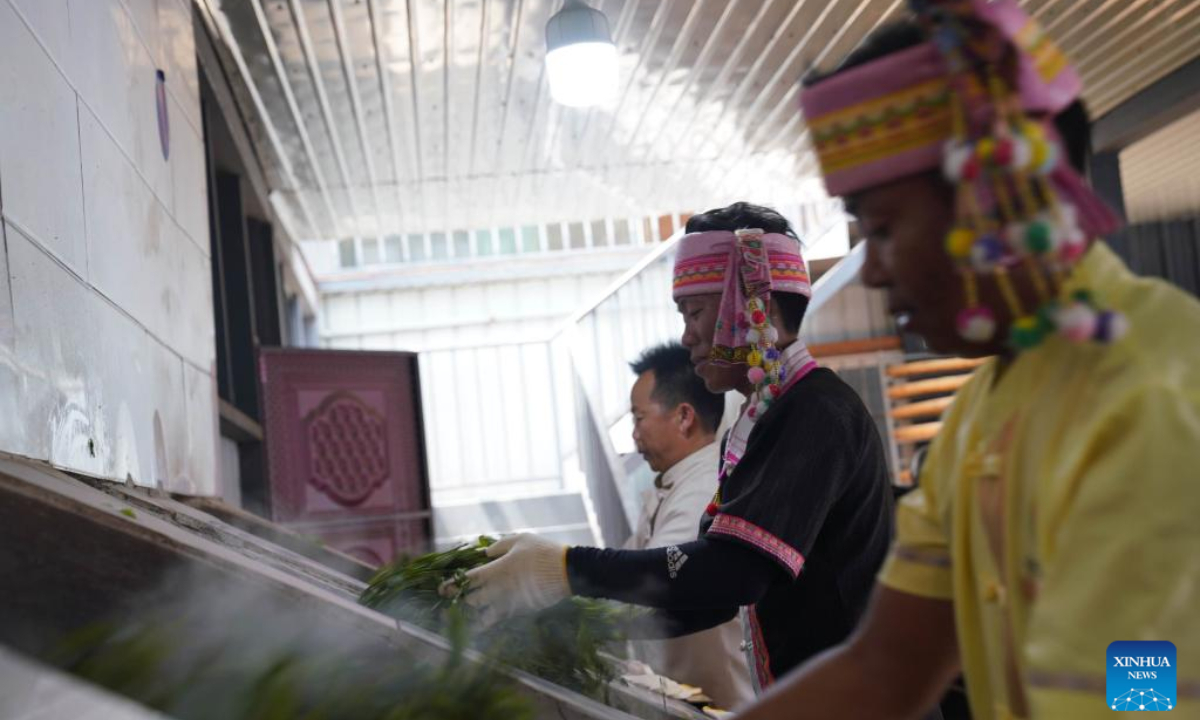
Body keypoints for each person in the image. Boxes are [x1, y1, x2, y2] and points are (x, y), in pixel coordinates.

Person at [735, 1, 1200, 719]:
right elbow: (884, 667)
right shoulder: (988, 411)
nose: (877, 274)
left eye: (884, 230)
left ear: (997, 202)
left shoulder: (1147, 394)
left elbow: (1142, 696)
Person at [443, 202, 896, 696]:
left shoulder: (815, 412)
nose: (686, 337)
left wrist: (566, 568)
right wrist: (573, 620)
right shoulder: (766, 416)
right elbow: (707, 601)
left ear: (746, 307)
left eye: (695, 312)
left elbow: (732, 574)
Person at [623, 342, 754, 710]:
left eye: (639, 418)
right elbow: (623, 558)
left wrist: (558, 575)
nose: (634, 435)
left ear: (684, 417)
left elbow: (645, 579)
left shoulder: (704, 490)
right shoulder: (672, 483)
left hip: (725, 703)